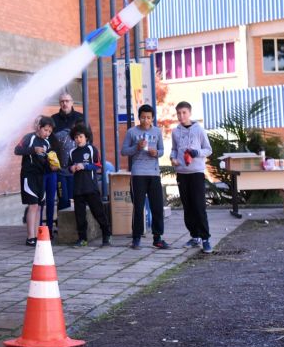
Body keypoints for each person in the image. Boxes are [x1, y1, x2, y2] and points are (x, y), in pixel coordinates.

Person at [120, 104, 168, 250]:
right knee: (139, 207)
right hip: (138, 173)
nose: (145, 120)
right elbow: (124, 151)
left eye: (148, 117)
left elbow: (162, 150)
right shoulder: (132, 132)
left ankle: (157, 238)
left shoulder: (157, 131)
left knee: (157, 206)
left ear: (152, 118)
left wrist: (156, 153)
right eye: (142, 117)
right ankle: (136, 238)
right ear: (139, 118)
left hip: (153, 173)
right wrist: (137, 147)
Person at [170, 101, 214, 254]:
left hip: (196, 173)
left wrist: (197, 153)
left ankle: (205, 238)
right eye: (179, 113)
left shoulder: (199, 130)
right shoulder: (175, 132)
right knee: (187, 207)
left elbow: (208, 149)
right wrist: (173, 158)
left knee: (199, 206)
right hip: (182, 173)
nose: (181, 116)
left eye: (184, 112)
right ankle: (194, 236)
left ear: (189, 113)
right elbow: (174, 150)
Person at [68, 123, 111, 247]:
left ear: (86, 137)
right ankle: (82, 239)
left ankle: (106, 235)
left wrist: (85, 166)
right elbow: (68, 168)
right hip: (78, 189)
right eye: (76, 137)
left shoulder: (92, 149)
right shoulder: (72, 152)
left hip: (91, 187)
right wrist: (72, 168)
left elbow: (98, 166)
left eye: (80, 136)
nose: (78, 139)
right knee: (80, 216)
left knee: (98, 212)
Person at [15, 116, 55, 247]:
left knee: (38, 207)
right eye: (45, 130)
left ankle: (37, 235)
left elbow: (46, 161)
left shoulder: (47, 143)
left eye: (49, 131)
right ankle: (30, 237)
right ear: (39, 127)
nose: (47, 133)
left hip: (41, 177)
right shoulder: (30, 137)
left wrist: (52, 166)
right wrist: (33, 149)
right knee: (32, 205)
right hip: (29, 175)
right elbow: (17, 150)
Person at [50, 91, 85, 213]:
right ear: (59, 103)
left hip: (77, 168)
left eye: (67, 101)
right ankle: (64, 229)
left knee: (77, 197)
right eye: (62, 101)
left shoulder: (80, 118)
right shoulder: (53, 120)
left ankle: (78, 227)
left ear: (72, 102)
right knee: (63, 199)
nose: (65, 103)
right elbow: (49, 142)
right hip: (60, 168)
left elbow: (88, 140)